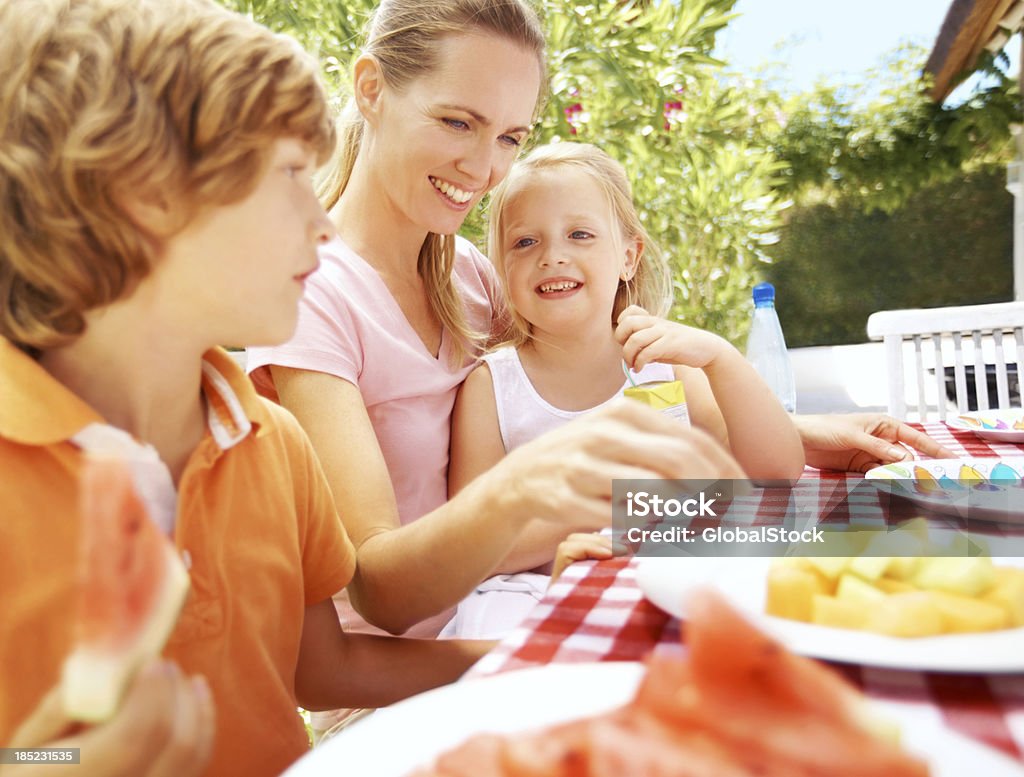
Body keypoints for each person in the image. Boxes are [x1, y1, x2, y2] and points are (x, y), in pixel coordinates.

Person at [0, 1, 504, 774]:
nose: (321, 222)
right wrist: (63, 759)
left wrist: (529, 657)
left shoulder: (271, 443)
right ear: (148, 193)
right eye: (290, 176)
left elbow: (320, 668)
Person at [245, 0, 746, 649]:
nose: (485, 170)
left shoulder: (469, 273)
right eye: (458, 122)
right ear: (371, 89)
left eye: (510, 136)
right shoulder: (309, 298)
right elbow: (380, 591)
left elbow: (580, 382)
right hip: (419, 688)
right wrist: (530, 495)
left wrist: (800, 432)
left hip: (519, 616)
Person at [443, 142, 805, 637]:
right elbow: (470, 546)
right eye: (525, 242)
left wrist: (721, 359)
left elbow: (776, 468)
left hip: (679, 582)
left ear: (629, 257)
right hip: (539, 598)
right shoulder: (492, 388)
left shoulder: (668, 365)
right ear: (502, 269)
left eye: (580, 234)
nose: (553, 256)